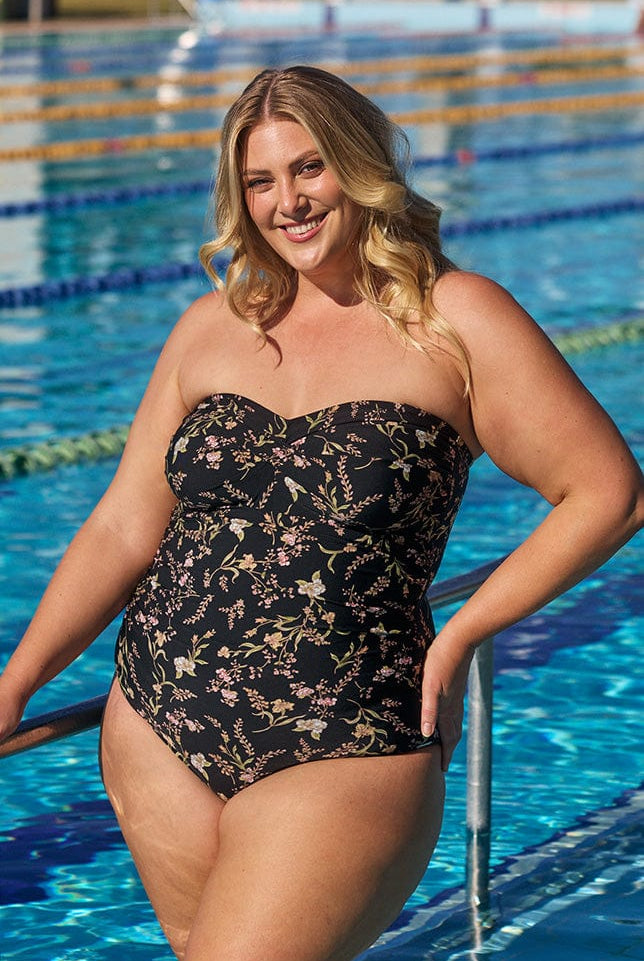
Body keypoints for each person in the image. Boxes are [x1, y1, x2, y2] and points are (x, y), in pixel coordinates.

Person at [0, 65, 642, 961]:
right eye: (260, 181)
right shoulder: (211, 328)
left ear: (360, 165)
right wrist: (16, 682)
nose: (287, 202)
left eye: (310, 169)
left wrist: (460, 637)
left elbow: (609, 493)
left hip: (345, 732)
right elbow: (120, 526)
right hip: (156, 720)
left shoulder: (452, 321)